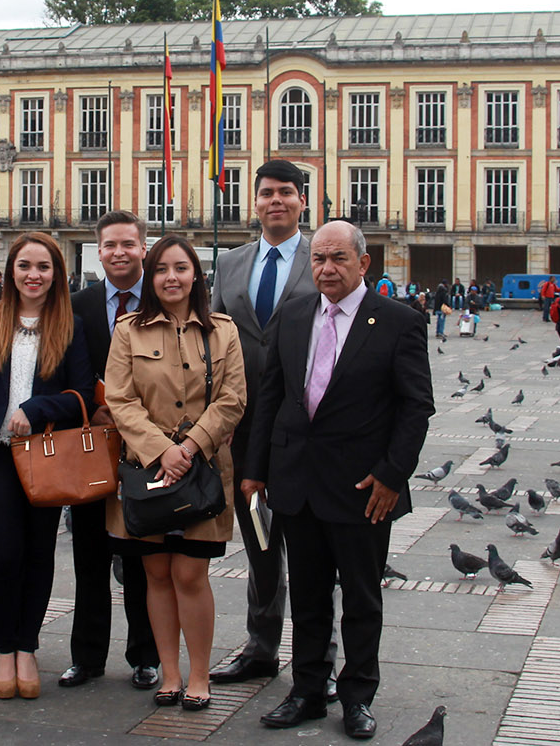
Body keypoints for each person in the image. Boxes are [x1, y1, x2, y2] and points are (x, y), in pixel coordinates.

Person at [244, 220, 432, 741]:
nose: (326, 268)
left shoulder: (398, 321)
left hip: (363, 490)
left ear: (363, 263)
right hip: (297, 483)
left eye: (338, 259)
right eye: (319, 259)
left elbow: (416, 407)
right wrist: (256, 470)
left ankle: (357, 696)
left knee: (362, 600)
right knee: (307, 597)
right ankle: (306, 690)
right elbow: (272, 395)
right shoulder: (294, 314)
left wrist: (391, 476)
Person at [104, 234, 247, 711]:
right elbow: (120, 398)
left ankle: (199, 675)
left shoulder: (222, 330)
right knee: (156, 572)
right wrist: (160, 450)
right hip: (147, 470)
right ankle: (169, 673)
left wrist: (189, 446)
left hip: (201, 469)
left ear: (196, 276)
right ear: (151, 277)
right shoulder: (129, 330)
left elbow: (233, 398)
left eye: (181, 268)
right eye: (162, 269)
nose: (171, 278)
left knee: (190, 573)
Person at [0, 233, 91, 700]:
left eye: (43, 267)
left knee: (38, 554)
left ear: (56, 274)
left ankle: (27, 647)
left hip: (45, 457)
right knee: (2, 555)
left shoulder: (69, 324)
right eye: (25, 266)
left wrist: (35, 409)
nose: (33, 275)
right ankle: (4, 647)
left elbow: (81, 396)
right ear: (10, 270)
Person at [207, 159, 320, 687]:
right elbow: (210, 338)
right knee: (260, 543)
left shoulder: (321, 258)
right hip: (244, 427)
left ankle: (320, 658)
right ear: (254, 203)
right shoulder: (230, 263)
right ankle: (261, 647)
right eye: (267, 193)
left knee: (314, 549)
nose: (276, 201)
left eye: (286, 193)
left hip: (305, 426)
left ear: (302, 201)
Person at [64, 211, 160, 691]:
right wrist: (91, 408)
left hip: (145, 446)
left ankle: (146, 656)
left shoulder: (162, 299)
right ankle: (87, 658)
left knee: (142, 557)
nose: (118, 252)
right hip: (91, 444)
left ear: (143, 247)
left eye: (127, 243)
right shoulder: (77, 304)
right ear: (98, 251)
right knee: (88, 557)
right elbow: (62, 366)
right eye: (109, 245)